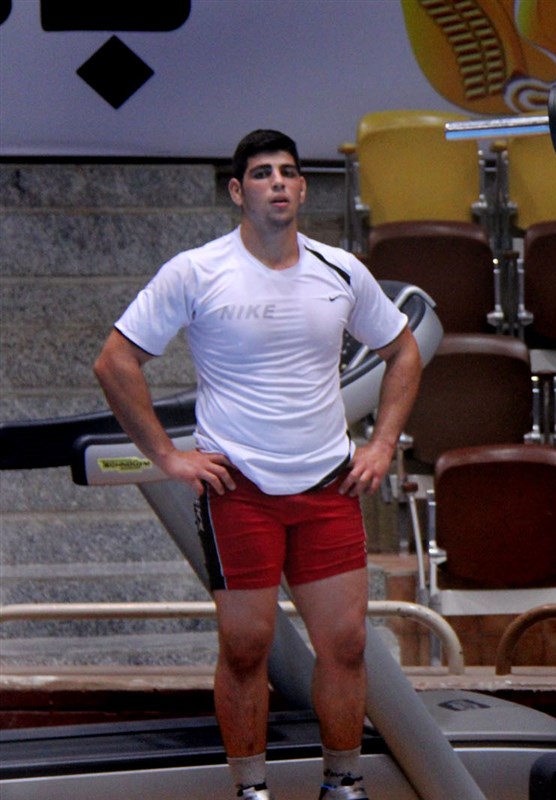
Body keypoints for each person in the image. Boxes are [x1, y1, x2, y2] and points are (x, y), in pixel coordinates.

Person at [93, 129, 422, 800]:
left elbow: (404, 351)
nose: (278, 182)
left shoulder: (339, 269)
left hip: (328, 486)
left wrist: (382, 444)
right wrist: (167, 456)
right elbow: (115, 362)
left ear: (302, 189)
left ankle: (343, 783)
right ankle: (250, 790)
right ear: (238, 191)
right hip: (239, 491)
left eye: (289, 172)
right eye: (263, 173)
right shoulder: (196, 271)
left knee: (347, 644)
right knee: (246, 648)